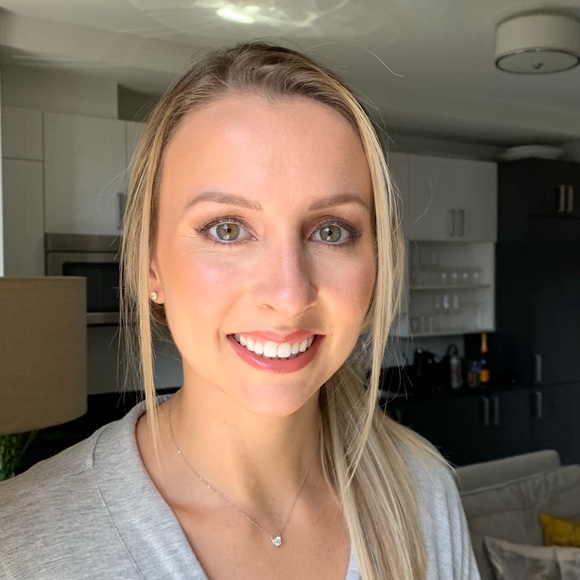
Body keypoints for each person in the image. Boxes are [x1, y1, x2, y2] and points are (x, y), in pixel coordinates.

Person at [0, 42, 479, 579]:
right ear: (150, 264)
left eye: (331, 231)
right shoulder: (19, 547)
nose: (289, 294)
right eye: (227, 229)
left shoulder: (423, 493)